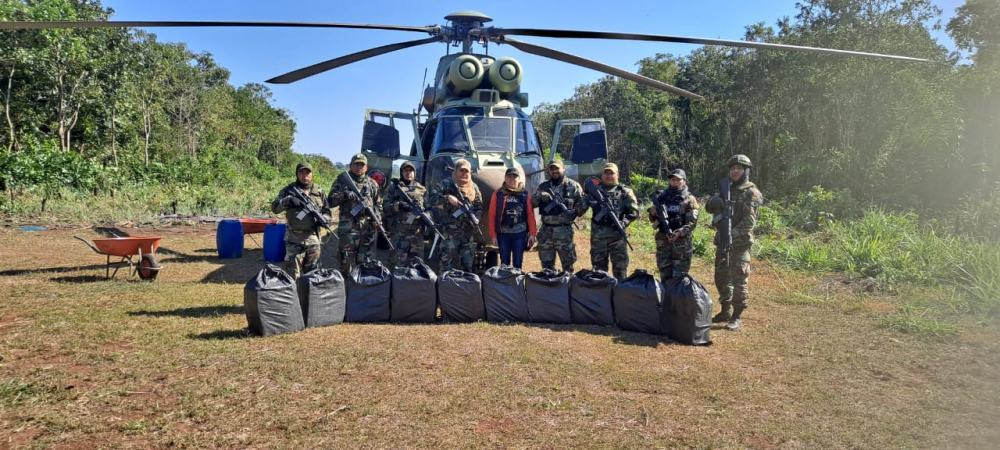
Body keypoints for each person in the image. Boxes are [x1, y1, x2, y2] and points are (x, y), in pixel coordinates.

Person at [704, 154, 762, 331]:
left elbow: (749, 223)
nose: (735, 171)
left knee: (739, 280)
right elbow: (708, 207)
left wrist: (731, 234)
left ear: (746, 171)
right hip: (723, 242)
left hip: (740, 244)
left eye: (739, 168)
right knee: (721, 277)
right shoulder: (725, 189)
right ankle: (725, 310)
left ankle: (737, 316)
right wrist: (715, 201)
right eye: (732, 168)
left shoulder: (751, 193)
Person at [576, 162, 640, 280]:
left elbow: (634, 212)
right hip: (598, 239)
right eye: (606, 173)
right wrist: (587, 199)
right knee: (598, 272)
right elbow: (579, 211)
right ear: (602, 174)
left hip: (618, 239)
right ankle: (601, 295)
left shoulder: (625, 191)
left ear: (618, 175)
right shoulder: (594, 191)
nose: (609, 176)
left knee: (620, 272)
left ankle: (620, 296)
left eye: (612, 173)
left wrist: (624, 222)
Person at [270, 162, 332, 278]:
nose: (305, 176)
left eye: (308, 173)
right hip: (294, 239)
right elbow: (275, 208)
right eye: (301, 173)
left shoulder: (319, 192)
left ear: (312, 174)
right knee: (292, 275)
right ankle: (293, 296)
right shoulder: (289, 190)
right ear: (297, 174)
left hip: (313, 239)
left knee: (314, 275)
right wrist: (287, 200)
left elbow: (327, 210)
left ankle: (310, 296)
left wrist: (324, 219)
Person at [328, 153, 382, 277]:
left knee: (366, 260)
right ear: (351, 165)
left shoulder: (372, 184)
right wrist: (344, 195)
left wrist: (377, 218)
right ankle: (346, 286)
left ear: (366, 167)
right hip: (348, 227)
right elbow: (330, 201)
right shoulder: (342, 181)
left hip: (368, 228)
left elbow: (378, 204)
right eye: (356, 164)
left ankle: (362, 287)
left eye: (362, 165)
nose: (359, 167)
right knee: (345, 260)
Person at [429, 159, 483, 273]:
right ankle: (445, 288)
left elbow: (478, 206)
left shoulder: (474, 187)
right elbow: (431, 198)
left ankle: (464, 288)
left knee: (467, 265)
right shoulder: (447, 183)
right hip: (450, 232)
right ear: (456, 171)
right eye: (461, 171)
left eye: (466, 171)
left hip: (468, 232)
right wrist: (447, 198)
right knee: (447, 265)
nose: (464, 174)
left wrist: (476, 218)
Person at [532, 159, 584, 273]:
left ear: (563, 169)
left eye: (557, 168)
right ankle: (549, 288)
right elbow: (533, 203)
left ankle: (568, 288)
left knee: (568, 266)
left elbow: (582, 205)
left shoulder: (574, 186)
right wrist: (540, 196)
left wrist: (573, 211)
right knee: (546, 266)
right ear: (549, 171)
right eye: (552, 169)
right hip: (546, 231)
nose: (555, 171)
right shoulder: (543, 186)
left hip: (564, 231)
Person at [649, 169, 700, 281]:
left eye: (678, 180)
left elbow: (692, 222)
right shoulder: (662, 197)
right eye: (673, 179)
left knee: (680, 276)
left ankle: (678, 297)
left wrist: (680, 232)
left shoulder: (689, 199)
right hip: (663, 240)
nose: (675, 182)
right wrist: (652, 213)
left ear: (684, 181)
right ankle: (666, 297)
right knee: (664, 273)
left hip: (682, 243)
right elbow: (653, 220)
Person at [488, 168, 537, 269]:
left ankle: (517, 283)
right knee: (504, 263)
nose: (512, 179)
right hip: (503, 234)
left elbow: (530, 215)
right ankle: (505, 283)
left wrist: (532, 234)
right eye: (509, 177)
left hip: (520, 234)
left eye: (514, 177)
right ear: (505, 179)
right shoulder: (498, 194)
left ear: (519, 179)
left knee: (517, 263)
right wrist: (493, 235)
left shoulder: (524, 194)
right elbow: (492, 215)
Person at [382, 161, 428, 268]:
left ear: (414, 172)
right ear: (401, 172)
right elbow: (384, 207)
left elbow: (429, 206)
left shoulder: (421, 189)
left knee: (417, 264)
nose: (408, 173)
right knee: (396, 263)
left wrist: (427, 216)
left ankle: (414, 284)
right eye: (405, 170)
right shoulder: (393, 188)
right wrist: (398, 205)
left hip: (417, 233)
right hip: (399, 232)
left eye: (411, 170)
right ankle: (395, 283)